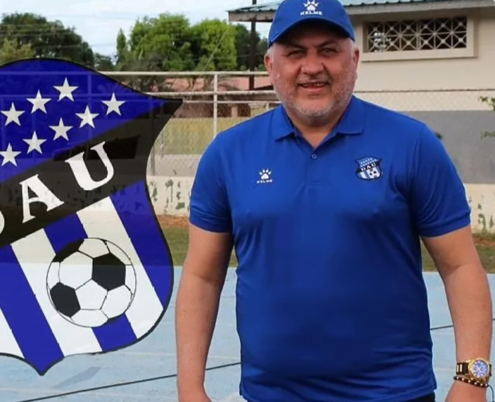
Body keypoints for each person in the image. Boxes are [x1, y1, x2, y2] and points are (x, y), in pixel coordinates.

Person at [174, 0, 493, 401]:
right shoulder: (228, 154)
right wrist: (189, 386)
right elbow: (202, 278)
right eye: (295, 53)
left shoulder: (412, 145)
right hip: (271, 395)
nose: (312, 67)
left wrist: (473, 379)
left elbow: (462, 266)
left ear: (354, 59)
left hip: (393, 393)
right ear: (271, 65)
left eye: (328, 50)